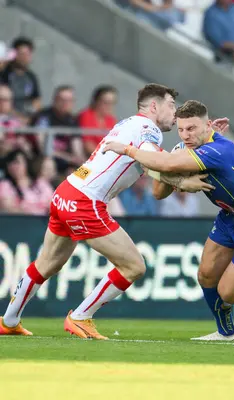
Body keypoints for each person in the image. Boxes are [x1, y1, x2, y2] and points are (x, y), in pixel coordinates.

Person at [0, 84, 213, 338]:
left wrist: (180, 173)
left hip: (67, 191)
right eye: (171, 106)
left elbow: (150, 167)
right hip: (85, 201)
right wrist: (183, 180)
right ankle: (80, 317)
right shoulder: (149, 129)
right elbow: (156, 163)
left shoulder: (128, 124)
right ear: (154, 106)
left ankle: (9, 320)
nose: (175, 113)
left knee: (46, 263)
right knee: (134, 266)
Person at [102, 100, 234, 341]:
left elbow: (166, 163)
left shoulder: (220, 150)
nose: (186, 135)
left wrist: (127, 149)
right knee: (206, 276)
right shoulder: (188, 147)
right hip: (230, 215)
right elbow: (158, 192)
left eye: (193, 129)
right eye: (182, 129)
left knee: (229, 293)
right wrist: (174, 173)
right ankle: (226, 333)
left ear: (208, 126)